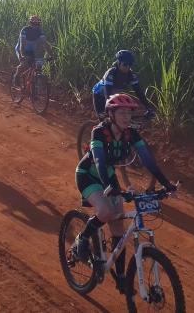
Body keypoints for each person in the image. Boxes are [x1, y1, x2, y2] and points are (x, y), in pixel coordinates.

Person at [72, 94, 176, 290]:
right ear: (111, 114)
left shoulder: (131, 134)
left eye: (129, 113)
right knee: (106, 212)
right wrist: (112, 188)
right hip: (88, 175)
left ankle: (120, 277)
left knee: (119, 228)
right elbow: (99, 162)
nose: (126, 117)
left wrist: (166, 185)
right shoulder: (99, 132)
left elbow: (148, 161)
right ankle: (83, 238)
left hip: (109, 176)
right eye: (121, 112)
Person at [91, 50, 155, 119]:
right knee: (105, 120)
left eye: (130, 64)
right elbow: (107, 92)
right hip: (99, 96)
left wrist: (148, 107)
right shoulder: (111, 73)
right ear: (118, 63)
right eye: (125, 64)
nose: (127, 67)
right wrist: (109, 107)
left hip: (113, 96)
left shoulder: (131, 75)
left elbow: (139, 92)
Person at [14, 14, 52, 83]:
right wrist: (22, 55)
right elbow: (22, 45)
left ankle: (35, 84)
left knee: (39, 66)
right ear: (30, 23)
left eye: (37, 24)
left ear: (39, 24)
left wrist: (50, 55)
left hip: (32, 50)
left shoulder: (40, 32)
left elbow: (45, 44)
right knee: (24, 64)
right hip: (21, 49)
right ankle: (16, 77)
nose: (35, 26)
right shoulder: (25, 30)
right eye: (33, 24)